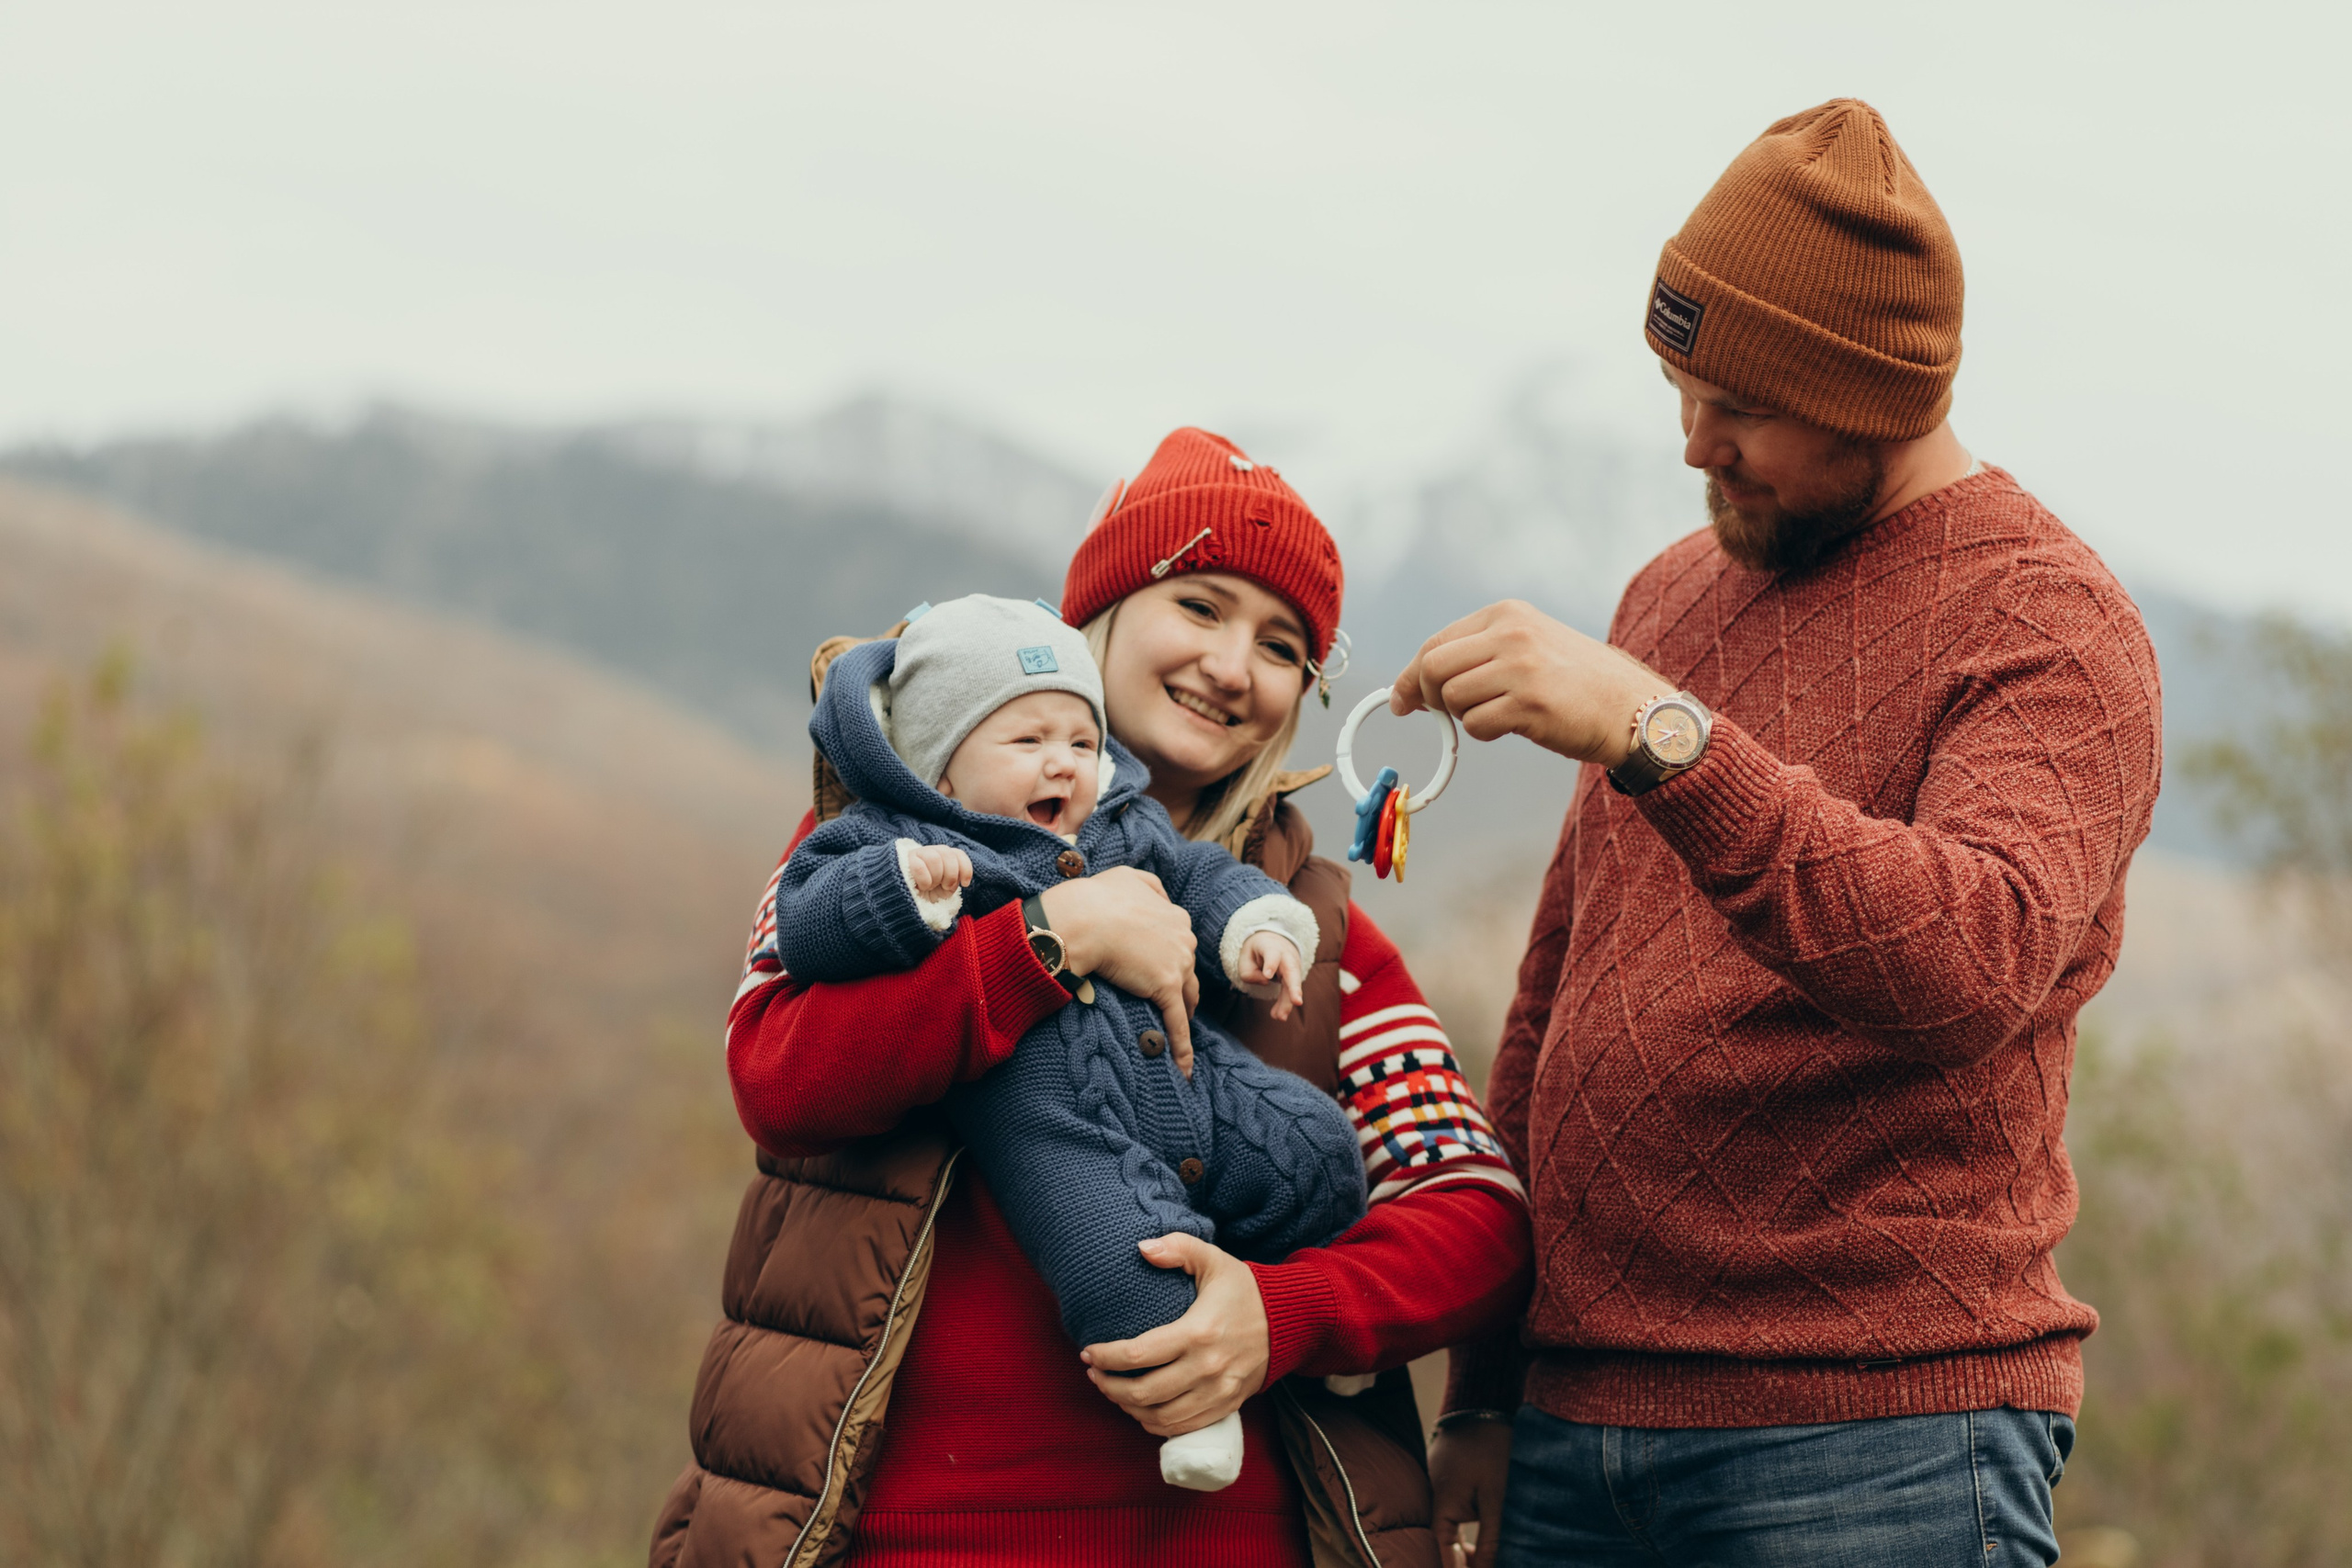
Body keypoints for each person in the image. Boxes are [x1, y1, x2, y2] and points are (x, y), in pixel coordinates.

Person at [1413, 100, 2163, 1567]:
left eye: (1742, 403)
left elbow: (1973, 955)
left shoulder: (2050, 619)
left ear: (1877, 395)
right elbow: (1553, 1010)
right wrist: (1484, 1395)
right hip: (1572, 1432)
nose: (1697, 439)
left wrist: (1663, 735)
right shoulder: (1664, 596)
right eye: (1683, 385)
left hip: (1874, 1445)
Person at [651, 427, 1533, 1568]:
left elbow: (1473, 1206)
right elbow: (779, 1076)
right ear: (1093, 618)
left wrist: (1285, 1316)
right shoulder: (897, 846)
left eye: (1281, 646)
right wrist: (1046, 943)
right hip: (901, 1527)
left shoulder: (1309, 935)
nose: (1233, 666)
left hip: (1228, 1538)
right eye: (1200, 607)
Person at [775, 592, 1363, 1490]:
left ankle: (1287, 1316)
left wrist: (1255, 929)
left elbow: (1199, 874)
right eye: (1028, 744)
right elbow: (806, 927)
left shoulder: (1122, 825)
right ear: (939, 769)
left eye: (1081, 745)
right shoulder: (898, 837)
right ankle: (1197, 1421)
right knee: (1120, 1251)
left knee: (1318, 1149)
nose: (1066, 765)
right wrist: (910, 892)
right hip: (1058, 1113)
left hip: (1189, 1078)